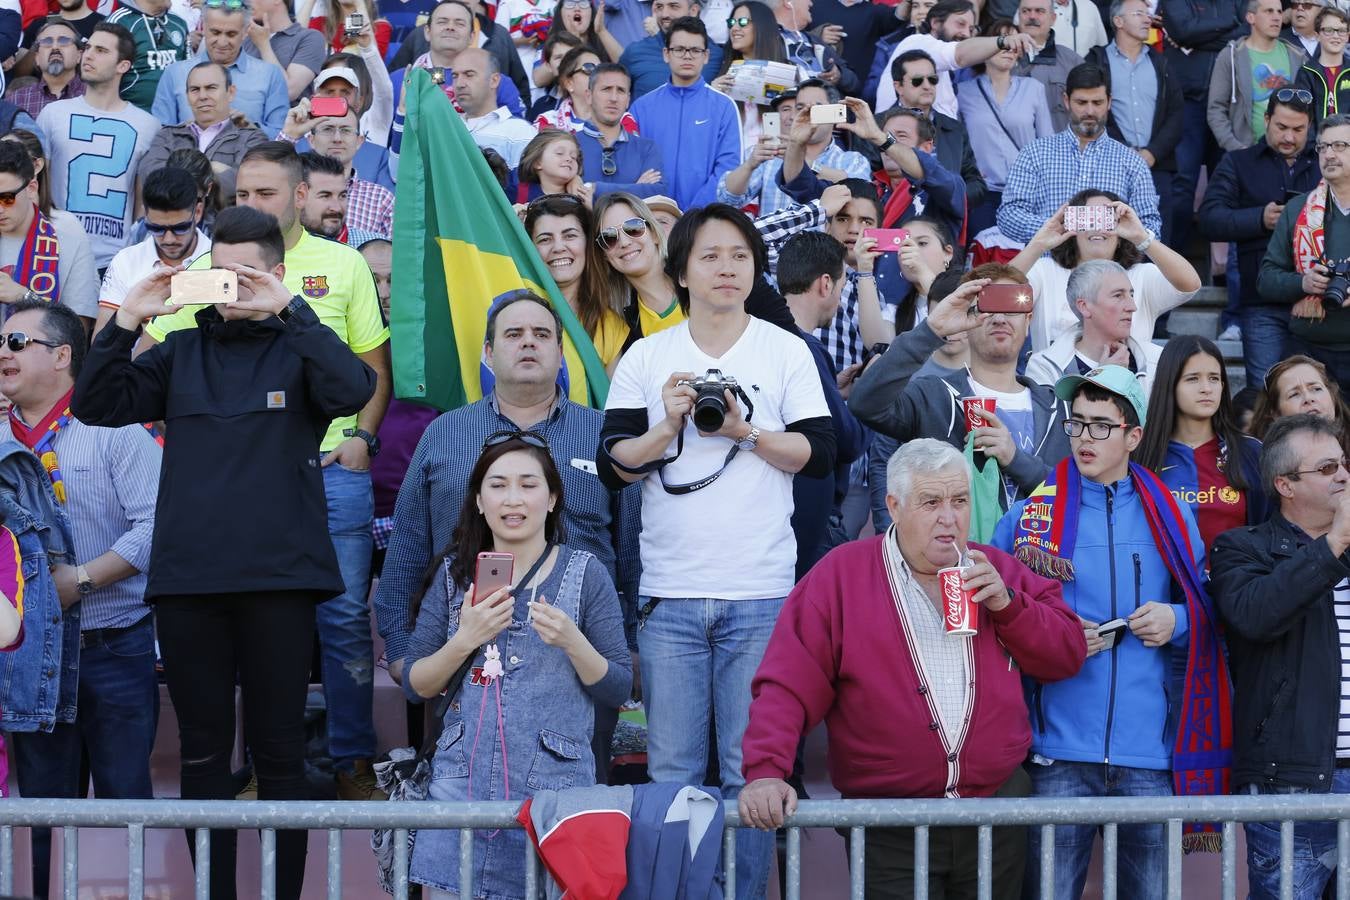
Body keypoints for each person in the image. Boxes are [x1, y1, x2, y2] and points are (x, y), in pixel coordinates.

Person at [70, 204, 375, 900]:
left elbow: (355, 391)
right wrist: (128, 320)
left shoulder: (304, 348)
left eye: (248, 275)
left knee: (281, 755)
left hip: (280, 581)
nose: (233, 287)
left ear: (275, 272)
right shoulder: (178, 351)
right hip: (188, 583)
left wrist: (294, 312)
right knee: (205, 758)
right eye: (221, 273)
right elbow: (95, 402)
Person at [142, 141, 393, 803]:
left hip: (328, 463)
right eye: (241, 195)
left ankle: (349, 761)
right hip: (229, 488)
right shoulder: (211, 266)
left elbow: (369, 369)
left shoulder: (341, 264)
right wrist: (143, 315)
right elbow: (155, 370)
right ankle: (259, 772)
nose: (252, 204)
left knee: (340, 624)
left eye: (265, 194)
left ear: (299, 196)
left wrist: (362, 437)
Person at [598, 203, 832, 898]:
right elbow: (617, 465)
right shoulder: (647, 355)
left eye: (739, 255)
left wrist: (745, 432)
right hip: (669, 592)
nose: (727, 268)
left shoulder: (784, 349)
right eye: (710, 256)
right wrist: (668, 422)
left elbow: (819, 455)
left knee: (751, 773)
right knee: (671, 770)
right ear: (682, 271)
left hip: (760, 592)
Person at [740, 436, 1085, 899]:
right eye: (931, 502)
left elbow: (1065, 653)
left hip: (994, 813)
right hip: (887, 822)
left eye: (960, 501)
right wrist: (766, 770)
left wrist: (1008, 605)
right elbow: (787, 683)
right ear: (894, 506)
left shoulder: (997, 568)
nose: (949, 518)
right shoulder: (840, 575)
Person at [374, 291, 640, 781]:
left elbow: (633, 545)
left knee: (572, 809)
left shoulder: (603, 435)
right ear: (488, 353)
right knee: (466, 791)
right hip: (465, 649)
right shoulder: (444, 434)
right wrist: (402, 649)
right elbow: (409, 543)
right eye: (513, 334)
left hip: (577, 654)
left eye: (542, 335)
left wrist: (625, 646)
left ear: (561, 354)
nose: (528, 344)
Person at [991, 364, 1231, 899]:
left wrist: (1180, 620)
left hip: (1149, 754)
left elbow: (1212, 609)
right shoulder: (1032, 512)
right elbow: (994, 602)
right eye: (1077, 424)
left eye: (1102, 425)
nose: (1084, 438)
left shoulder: (1171, 512)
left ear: (1134, 436)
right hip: (1057, 753)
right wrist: (1047, 626)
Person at [403, 433, 631, 899]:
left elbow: (618, 687)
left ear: (552, 499)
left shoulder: (586, 573)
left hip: (554, 802)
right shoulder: (454, 574)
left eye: (528, 485)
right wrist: (465, 638)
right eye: (498, 485)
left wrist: (573, 642)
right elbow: (416, 684)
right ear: (479, 503)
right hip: (458, 794)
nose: (513, 499)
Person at [2, 299, 161, 900]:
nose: (2, 353)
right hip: (29, 656)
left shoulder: (113, 427)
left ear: (63, 356)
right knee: (42, 813)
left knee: (128, 805)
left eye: (18, 343)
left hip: (113, 646)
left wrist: (82, 580)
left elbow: (156, 524)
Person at [1209, 412, 1350, 900]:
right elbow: (1255, 614)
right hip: (1290, 782)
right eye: (1328, 468)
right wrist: (1334, 546)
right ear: (1285, 484)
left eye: (1345, 464)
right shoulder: (1241, 548)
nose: (1345, 477)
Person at [851, 263, 1074, 515]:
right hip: (957, 552)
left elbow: (1079, 497)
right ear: (967, 319)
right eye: (987, 307)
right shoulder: (932, 395)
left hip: (1040, 552)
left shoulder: (1061, 406)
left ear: (1028, 319)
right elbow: (864, 403)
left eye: (1012, 306)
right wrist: (931, 329)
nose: (999, 318)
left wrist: (1015, 459)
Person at [1199, 88, 1320, 388]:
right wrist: (1259, 218)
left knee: (1318, 394)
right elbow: (1210, 219)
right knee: (1264, 393)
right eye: (1281, 127)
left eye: (1298, 129)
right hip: (1260, 303)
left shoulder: (1325, 163)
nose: (1289, 137)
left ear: (1310, 127)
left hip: (1319, 303)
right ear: (1265, 120)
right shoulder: (1238, 162)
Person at [775, 230, 865, 577]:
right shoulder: (804, 348)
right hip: (811, 526)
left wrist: (835, 393)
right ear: (825, 284)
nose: (840, 301)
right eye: (841, 289)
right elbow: (845, 440)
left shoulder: (768, 339)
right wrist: (863, 398)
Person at [37, 22, 160, 273]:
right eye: (88, 47)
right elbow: (39, 186)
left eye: (101, 50)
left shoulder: (148, 125)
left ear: (122, 66)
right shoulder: (52, 114)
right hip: (57, 252)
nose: (89, 54)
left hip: (116, 260)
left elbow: (141, 201)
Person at [1010, 190, 1200, 353]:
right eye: (1088, 219)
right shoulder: (1045, 271)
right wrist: (1038, 244)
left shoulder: (1142, 275)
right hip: (1054, 386)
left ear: (1120, 236)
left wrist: (1142, 237)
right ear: (1073, 228)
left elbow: (1190, 284)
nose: (1097, 227)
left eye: (1107, 219)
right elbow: (997, 291)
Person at [997, 63, 1164, 245]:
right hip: (1047, 266)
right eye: (1081, 102)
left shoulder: (1132, 162)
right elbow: (1008, 215)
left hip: (1109, 269)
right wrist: (1060, 228)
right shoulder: (1035, 153)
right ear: (1066, 101)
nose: (1090, 111)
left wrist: (1118, 231)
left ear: (1109, 102)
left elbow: (1152, 227)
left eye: (1097, 103)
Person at [1137, 336, 1268, 560]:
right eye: (1193, 379)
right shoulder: (1140, 452)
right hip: (1161, 593)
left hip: (1235, 589)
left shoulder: (1252, 452)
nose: (1206, 388)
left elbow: (1268, 531)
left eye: (1214, 378)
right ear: (1170, 384)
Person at [781, 100, 967, 250]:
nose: (887, 145)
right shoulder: (870, 189)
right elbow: (801, 186)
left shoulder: (948, 187)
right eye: (886, 136)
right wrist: (796, 144)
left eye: (900, 136)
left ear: (926, 148)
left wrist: (880, 138)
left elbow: (928, 171)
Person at [1258, 113, 1350, 387]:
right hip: (1309, 353)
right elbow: (1266, 279)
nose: (1329, 154)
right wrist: (1304, 282)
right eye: (1323, 147)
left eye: (1340, 146)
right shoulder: (1299, 210)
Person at [1083, 0, 1184, 245]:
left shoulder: (1162, 62)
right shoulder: (1097, 60)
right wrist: (1123, 152)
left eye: (1146, 13)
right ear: (1118, 21)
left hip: (1155, 166)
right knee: (1110, 240)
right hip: (1110, 164)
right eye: (1138, 13)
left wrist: (1153, 152)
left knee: (1157, 241)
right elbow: (1092, 112)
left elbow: (1176, 113)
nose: (1147, 19)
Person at [1158, 0, 1246, 252]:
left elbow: (1247, 31)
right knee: (1183, 184)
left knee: (1228, 185)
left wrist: (1198, 37)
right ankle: (1176, 260)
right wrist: (1228, 26)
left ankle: (1225, 273)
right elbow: (1182, 31)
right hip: (1188, 101)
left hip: (1228, 103)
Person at [630, 15, 741, 211]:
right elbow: (631, 165)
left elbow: (727, 169)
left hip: (703, 219)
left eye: (695, 50)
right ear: (666, 54)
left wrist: (695, 213)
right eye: (679, 49)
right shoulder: (642, 107)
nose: (687, 56)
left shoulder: (724, 107)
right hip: (651, 217)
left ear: (706, 56)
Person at [717, 77, 870, 216]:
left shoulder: (853, 160)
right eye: (800, 107)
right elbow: (727, 201)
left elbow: (857, 195)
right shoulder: (770, 155)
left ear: (834, 113)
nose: (806, 113)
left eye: (816, 107)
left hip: (824, 246)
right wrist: (749, 166)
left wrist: (802, 162)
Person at [957, 18, 1054, 236]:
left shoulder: (1033, 89)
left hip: (1027, 192)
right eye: (1004, 41)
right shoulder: (963, 92)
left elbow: (1047, 143)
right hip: (984, 192)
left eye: (1015, 43)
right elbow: (957, 144)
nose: (1010, 49)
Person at [96, 167, 211, 333]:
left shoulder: (217, 262)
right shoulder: (126, 261)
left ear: (198, 213)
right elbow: (101, 340)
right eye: (156, 228)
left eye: (180, 228)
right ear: (145, 215)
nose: (169, 239)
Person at [152, 0, 291, 138]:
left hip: (249, 156)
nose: (222, 42)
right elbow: (161, 133)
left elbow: (282, 135)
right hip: (188, 157)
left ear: (245, 32)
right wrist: (189, 130)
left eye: (231, 34)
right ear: (204, 28)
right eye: (215, 32)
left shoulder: (270, 74)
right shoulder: (175, 73)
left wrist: (250, 129)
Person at [137, 61, 268, 204]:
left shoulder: (251, 138)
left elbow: (242, 182)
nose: (202, 96)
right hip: (173, 222)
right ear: (187, 96)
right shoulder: (168, 136)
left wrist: (178, 176)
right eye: (195, 89)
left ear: (230, 93)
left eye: (211, 88)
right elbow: (151, 176)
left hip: (224, 224)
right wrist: (212, 167)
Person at [874, 0, 1034, 116]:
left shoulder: (941, 69)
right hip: (899, 149)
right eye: (960, 24)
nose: (965, 33)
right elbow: (959, 55)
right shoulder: (919, 43)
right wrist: (1003, 41)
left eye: (971, 29)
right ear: (935, 23)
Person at [1026, 258, 1165, 390]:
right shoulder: (1044, 367)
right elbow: (1059, 416)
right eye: (1118, 295)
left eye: (1131, 295)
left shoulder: (1158, 361)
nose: (1132, 306)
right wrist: (1103, 377)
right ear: (1084, 307)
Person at [0, 141, 98, 326]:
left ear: (31, 188)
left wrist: (24, 297)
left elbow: (78, 330)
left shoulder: (67, 230)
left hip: (38, 353)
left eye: (6, 198)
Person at [889, 48, 987, 215]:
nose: (927, 86)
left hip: (945, 225)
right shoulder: (877, 126)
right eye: (917, 81)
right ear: (898, 86)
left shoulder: (955, 128)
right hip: (895, 223)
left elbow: (976, 183)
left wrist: (950, 197)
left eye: (933, 79)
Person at [1208, 0, 1302, 156]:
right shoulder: (1231, 56)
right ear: (1251, 18)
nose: (1276, 17)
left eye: (1279, 12)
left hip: (1290, 154)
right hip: (1246, 152)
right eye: (1269, 11)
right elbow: (1216, 109)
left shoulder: (1297, 55)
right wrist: (1235, 147)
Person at [576, 64, 668, 198]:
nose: (614, 98)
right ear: (589, 96)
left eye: (620, 90)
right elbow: (568, 195)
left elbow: (658, 192)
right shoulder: (571, 144)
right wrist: (635, 189)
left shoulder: (646, 148)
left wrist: (594, 188)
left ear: (628, 99)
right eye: (606, 89)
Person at [1249, 354, 1350, 458]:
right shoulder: (1258, 462)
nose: (1308, 398)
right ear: (1276, 414)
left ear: (1332, 397)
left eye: (1316, 389)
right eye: (1294, 394)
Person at [453, 47, 539, 169]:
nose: (459, 84)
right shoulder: (444, 128)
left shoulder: (520, 132)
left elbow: (525, 186)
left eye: (469, 75)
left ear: (494, 80)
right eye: (455, 76)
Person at [619, 0, 722, 98]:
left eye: (673, 6)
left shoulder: (717, 55)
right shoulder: (635, 51)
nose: (664, 14)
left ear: (693, 10)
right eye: (659, 7)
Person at [1010, 0, 1085, 134]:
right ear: (1018, 16)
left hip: (1060, 150)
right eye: (1026, 11)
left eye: (1040, 11)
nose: (1032, 16)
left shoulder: (1072, 62)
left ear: (1053, 18)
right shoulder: (1000, 58)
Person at [105, 0, 190, 112]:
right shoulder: (119, 22)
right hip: (132, 118)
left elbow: (189, 73)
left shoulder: (179, 23)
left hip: (177, 121)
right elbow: (102, 75)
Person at [765, 0, 857, 91]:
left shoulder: (815, 41)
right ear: (788, 2)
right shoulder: (763, 40)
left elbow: (855, 84)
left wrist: (839, 75)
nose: (811, 3)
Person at [245, 0, 327, 101]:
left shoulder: (309, 38)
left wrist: (264, 45)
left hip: (288, 115)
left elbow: (288, 92)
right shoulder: (246, 37)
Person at [8, 19, 86, 119]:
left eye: (64, 41)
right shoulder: (16, 100)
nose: (55, 47)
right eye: (47, 41)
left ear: (79, 56)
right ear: (37, 58)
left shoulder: (96, 96)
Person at [1297, 6, 1350, 123]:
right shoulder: (1306, 73)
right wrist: (1313, 142)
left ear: (1347, 36)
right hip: (1317, 140)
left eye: (1341, 31)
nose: (1336, 36)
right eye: (1329, 30)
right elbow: (1303, 117)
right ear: (1317, 35)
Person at [546, 0, 623, 62]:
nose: (577, 8)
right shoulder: (551, 43)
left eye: (583, 3)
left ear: (591, 13)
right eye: (569, 3)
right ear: (560, 13)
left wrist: (601, 31)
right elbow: (538, 78)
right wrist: (573, 41)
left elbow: (627, 66)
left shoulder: (604, 40)